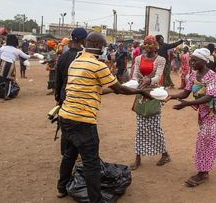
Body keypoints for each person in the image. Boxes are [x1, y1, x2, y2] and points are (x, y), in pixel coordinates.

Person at [56, 32, 152, 202]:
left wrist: (115, 90)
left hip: (65, 116)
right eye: (104, 46)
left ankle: (61, 188)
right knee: (91, 162)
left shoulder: (75, 62)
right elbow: (119, 88)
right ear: (99, 46)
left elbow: (95, 88)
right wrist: (140, 91)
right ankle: (96, 200)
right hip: (83, 120)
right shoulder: (97, 65)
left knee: (70, 154)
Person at [167, 48, 216, 187]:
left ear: (204, 61)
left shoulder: (211, 75)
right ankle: (202, 170)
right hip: (202, 110)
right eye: (191, 60)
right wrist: (171, 96)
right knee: (203, 139)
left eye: (195, 60)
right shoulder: (193, 75)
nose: (191, 62)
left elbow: (209, 96)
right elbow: (185, 93)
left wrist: (188, 104)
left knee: (207, 140)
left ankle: (203, 173)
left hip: (212, 111)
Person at [130, 35, 171, 170]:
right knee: (140, 127)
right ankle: (138, 157)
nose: (147, 46)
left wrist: (150, 81)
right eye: (146, 44)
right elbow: (135, 74)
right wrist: (136, 83)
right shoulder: (138, 58)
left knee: (154, 126)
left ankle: (165, 154)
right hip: (141, 93)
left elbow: (158, 75)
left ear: (156, 46)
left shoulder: (161, 59)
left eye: (150, 44)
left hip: (154, 94)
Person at [0, 35, 34, 100]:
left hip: (2, 63)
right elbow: (26, 56)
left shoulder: (3, 48)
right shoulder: (17, 50)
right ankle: (6, 96)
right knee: (8, 81)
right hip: (10, 65)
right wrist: (32, 55)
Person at [55, 28, 87, 105]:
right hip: (78, 99)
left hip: (64, 96)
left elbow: (58, 80)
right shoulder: (84, 57)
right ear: (83, 40)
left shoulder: (62, 57)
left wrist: (58, 97)